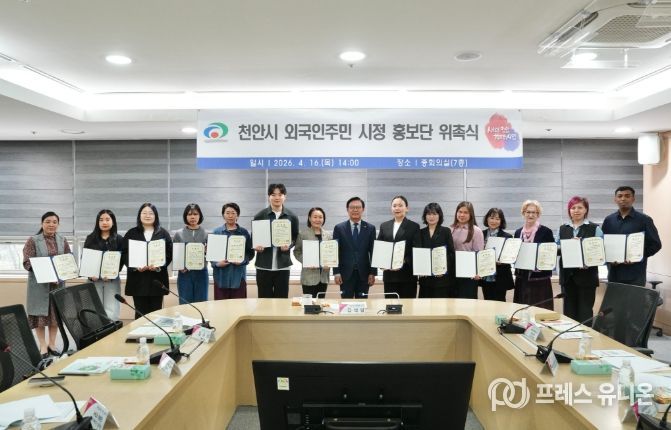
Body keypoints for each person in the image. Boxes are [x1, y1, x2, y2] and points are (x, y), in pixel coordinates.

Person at [22, 211, 71, 357]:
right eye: (48, 222)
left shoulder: (62, 240)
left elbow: (68, 260)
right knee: (40, 317)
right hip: (39, 285)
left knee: (55, 316)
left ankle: (52, 344)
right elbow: (27, 262)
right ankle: (43, 346)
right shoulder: (33, 240)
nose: (51, 225)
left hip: (58, 285)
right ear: (42, 223)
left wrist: (63, 274)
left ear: (58, 224)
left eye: (54, 222)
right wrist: (46, 274)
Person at [601, 186, 662, 287]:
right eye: (620, 196)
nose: (623, 199)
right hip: (614, 274)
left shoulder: (644, 220)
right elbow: (603, 244)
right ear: (615, 199)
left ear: (633, 199)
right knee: (614, 298)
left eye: (627, 196)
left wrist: (638, 256)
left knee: (634, 298)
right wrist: (609, 259)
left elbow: (656, 244)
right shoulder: (609, 220)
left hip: (635, 274)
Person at [122, 203, 173, 319]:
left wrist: (159, 266)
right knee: (140, 314)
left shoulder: (163, 233)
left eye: (151, 213)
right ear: (139, 215)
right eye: (144, 213)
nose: (147, 215)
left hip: (157, 280)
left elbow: (169, 253)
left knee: (156, 314)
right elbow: (124, 253)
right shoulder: (131, 233)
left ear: (156, 216)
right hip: (138, 280)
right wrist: (135, 266)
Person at [557, 196, 603, 322]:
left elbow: (600, 252)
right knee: (568, 312)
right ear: (569, 210)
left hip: (587, 277)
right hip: (567, 278)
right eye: (573, 208)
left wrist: (586, 256)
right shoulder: (562, 228)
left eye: (580, 207)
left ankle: (585, 334)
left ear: (585, 210)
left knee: (585, 312)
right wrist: (568, 245)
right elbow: (556, 249)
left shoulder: (595, 228)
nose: (576, 210)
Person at [252, 183, 300, 298]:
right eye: (273, 195)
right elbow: (254, 238)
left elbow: (295, 238)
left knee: (281, 300)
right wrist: (256, 246)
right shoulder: (260, 216)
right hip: (263, 265)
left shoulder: (292, 217)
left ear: (285, 197)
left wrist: (289, 245)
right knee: (264, 301)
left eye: (280, 194)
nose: (277, 197)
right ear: (269, 197)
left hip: (283, 265)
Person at [513, 200, 555, 311]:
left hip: (539, 278)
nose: (530, 215)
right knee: (521, 309)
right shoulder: (518, 232)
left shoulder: (546, 232)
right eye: (528, 212)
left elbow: (551, 254)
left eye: (534, 212)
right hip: (522, 278)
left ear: (538, 215)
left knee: (539, 310)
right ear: (523, 213)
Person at [83, 209, 124, 320]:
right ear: (98, 222)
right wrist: (90, 274)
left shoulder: (119, 239)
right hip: (94, 280)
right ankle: (96, 331)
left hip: (111, 280)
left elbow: (122, 260)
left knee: (112, 309)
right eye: (101, 220)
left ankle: (112, 329)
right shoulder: (90, 238)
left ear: (113, 222)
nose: (104, 222)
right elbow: (86, 258)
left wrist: (112, 273)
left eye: (107, 219)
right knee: (94, 309)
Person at [333, 197, 377, 298]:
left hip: (364, 275)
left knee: (362, 303)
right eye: (352, 207)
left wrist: (373, 273)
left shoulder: (370, 228)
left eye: (358, 207)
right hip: (345, 274)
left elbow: (373, 252)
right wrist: (336, 272)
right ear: (347, 209)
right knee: (345, 303)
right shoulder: (339, 228)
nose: (355, 210)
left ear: (363, 209)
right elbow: (335, 252)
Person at [377, 196, 420, 298]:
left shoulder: (414, 226)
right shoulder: (384, 226)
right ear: (391, 208)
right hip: (389, 276)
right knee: (390, 305)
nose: (397, 208)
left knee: (408, 305)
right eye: (394, 206)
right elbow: (380, 248)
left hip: (407, 275)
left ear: (407, 208)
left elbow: (417, 250)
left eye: (400, 205)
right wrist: (381, 263)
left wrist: (404, 261)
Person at [412, 203, 456, 298]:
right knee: (425, 305)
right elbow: (418, 254)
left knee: (440, 305)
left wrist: (443, 269)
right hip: (425, 279)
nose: (431, 217)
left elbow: (451, 254)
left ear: (439, 216)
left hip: (442, 278)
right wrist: (420, 268)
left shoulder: (446, 231)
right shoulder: (420, 232)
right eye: (428, 214)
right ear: (425, 216)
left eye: (434, 214)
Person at [211, 202, 254, 300]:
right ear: (223, 215)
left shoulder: (244, 232)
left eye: (233, 213)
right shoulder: (216, 232)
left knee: (238, 306)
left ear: (237, 215)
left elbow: (250, 253)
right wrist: (217, 264)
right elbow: (211, 256)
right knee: (220, 306)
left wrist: (242, 261)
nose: (230, 216)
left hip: (238, 277)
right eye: (227, 213)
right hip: (220, 277)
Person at [173, 203, 209, 304]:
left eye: (195, 214)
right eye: (189, 214)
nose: (192, 217)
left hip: (201, 272)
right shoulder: (178, 234)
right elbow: (175, 255)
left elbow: (211, 256)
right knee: (185, 303)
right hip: (185, 273)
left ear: (200, 216)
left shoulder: (206, 234)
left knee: (201, 303)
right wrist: (180, 266)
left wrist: (208, 252)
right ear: (185, 216)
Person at [294, 207, 332, 298]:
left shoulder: (328, 235)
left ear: (323, 219)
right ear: (309, 218)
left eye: (320, 217)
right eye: (315, 217)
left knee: (321, 303)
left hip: (323, 276)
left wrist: (330, 263)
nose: (318, 220)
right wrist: (306, 261)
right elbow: (297, 252)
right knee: (309, 304)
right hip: (308, 276)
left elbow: (332, 253)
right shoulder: (303, 234)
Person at [450, 201, 484, 299]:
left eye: (466, 212)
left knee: (467, 303)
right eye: (460, 212)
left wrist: (478, 272)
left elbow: (479, 254)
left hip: (469, 274)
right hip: (452, 273)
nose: (462, 215)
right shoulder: (450, 229)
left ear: (471, 214)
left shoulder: (476, 231)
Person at [480, 208, 514, 302]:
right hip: (485, 276)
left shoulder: (507, 237)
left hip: (500, 276)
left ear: (501, 221)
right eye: (491, 218)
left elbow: (510, 257)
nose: (494, 221)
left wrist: (503, 261)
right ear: (487, 219)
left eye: (497, 219)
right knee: (487, 302)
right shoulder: (480, 234)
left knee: (500, 303)